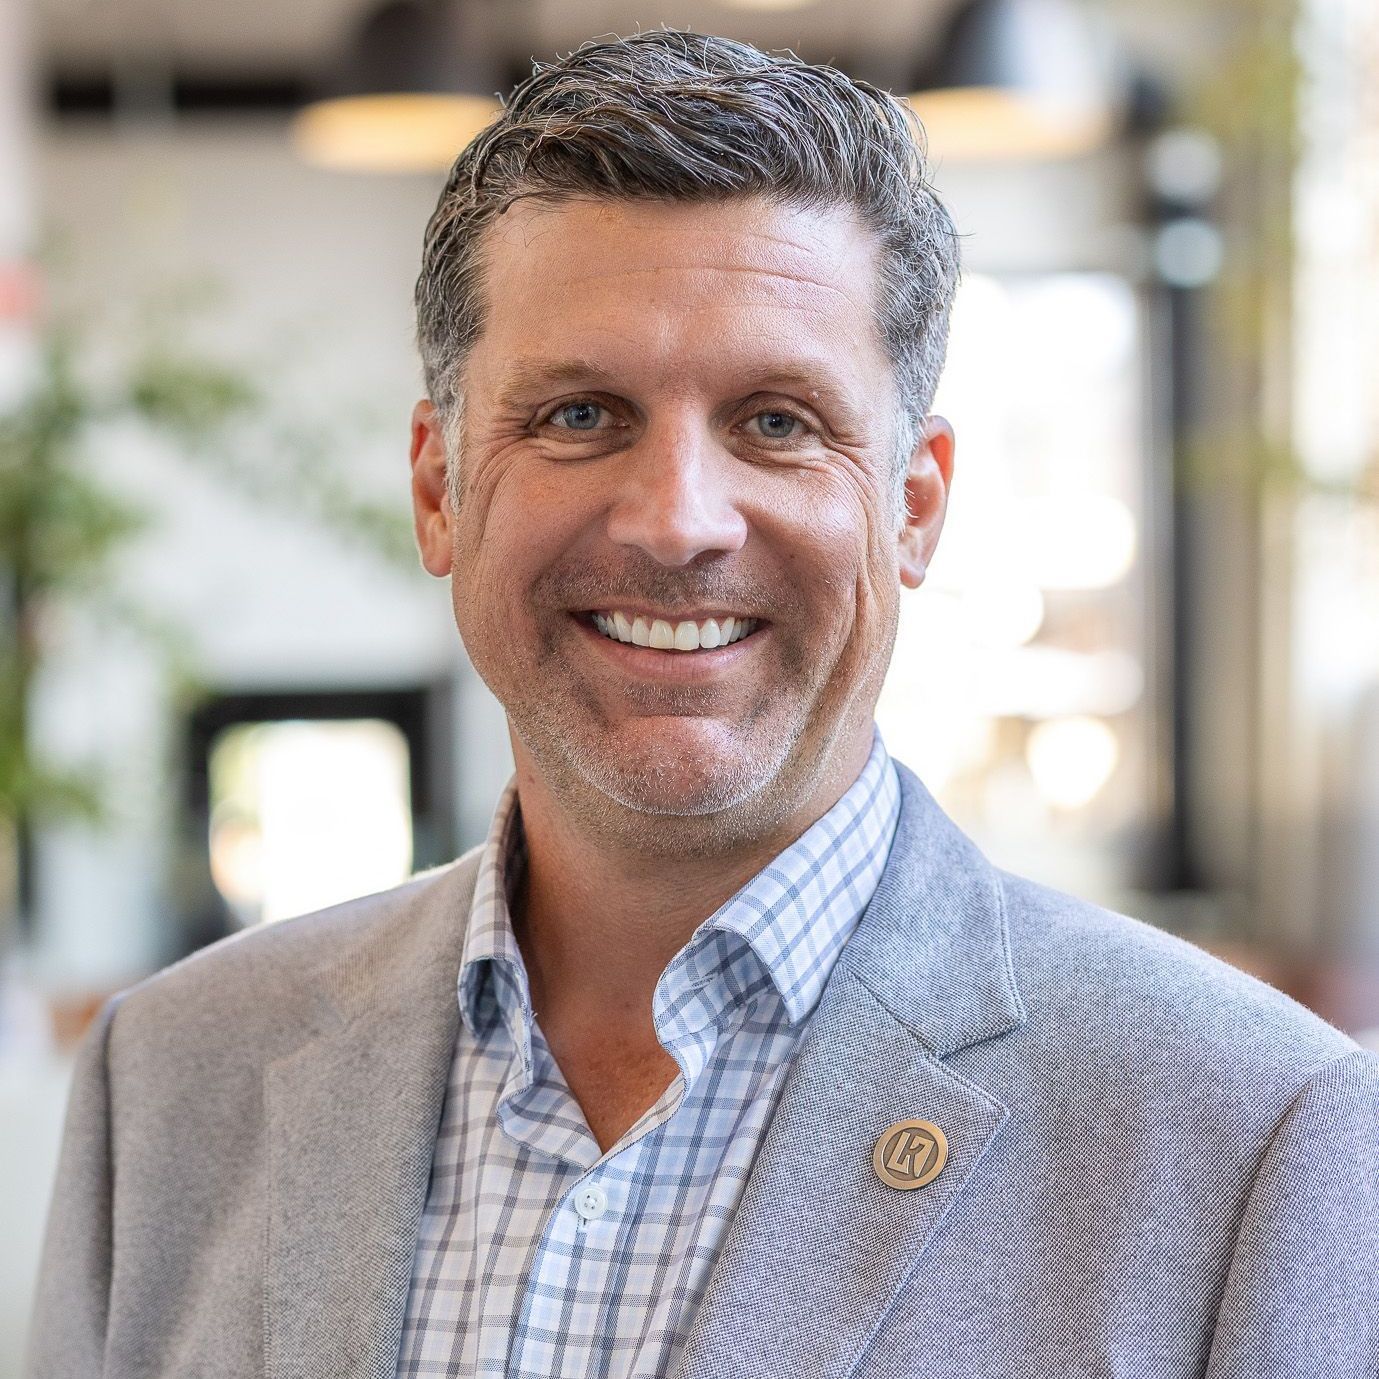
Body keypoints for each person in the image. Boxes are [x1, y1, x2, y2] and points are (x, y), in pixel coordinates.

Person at [26, 29, 1379, 1379]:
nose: (677, 520)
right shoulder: (174, 1082)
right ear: (440, 488)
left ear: (914, 506)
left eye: (778, 421)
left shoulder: (1257, 1135)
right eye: (578, 416)